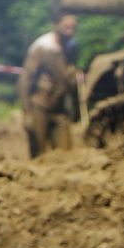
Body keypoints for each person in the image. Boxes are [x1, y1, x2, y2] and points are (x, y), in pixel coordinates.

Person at [19, 13, 79, 157]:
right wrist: (27, 111)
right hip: (40, 105)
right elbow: (25, 79)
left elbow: (70, 79)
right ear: (56, 25)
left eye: (73, 28)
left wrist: (75, 108)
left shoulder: (71, 48)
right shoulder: (42, 47)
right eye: (66, 27)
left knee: (66, 155)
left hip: (60, 109)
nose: (69, 31)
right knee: (38, 153)